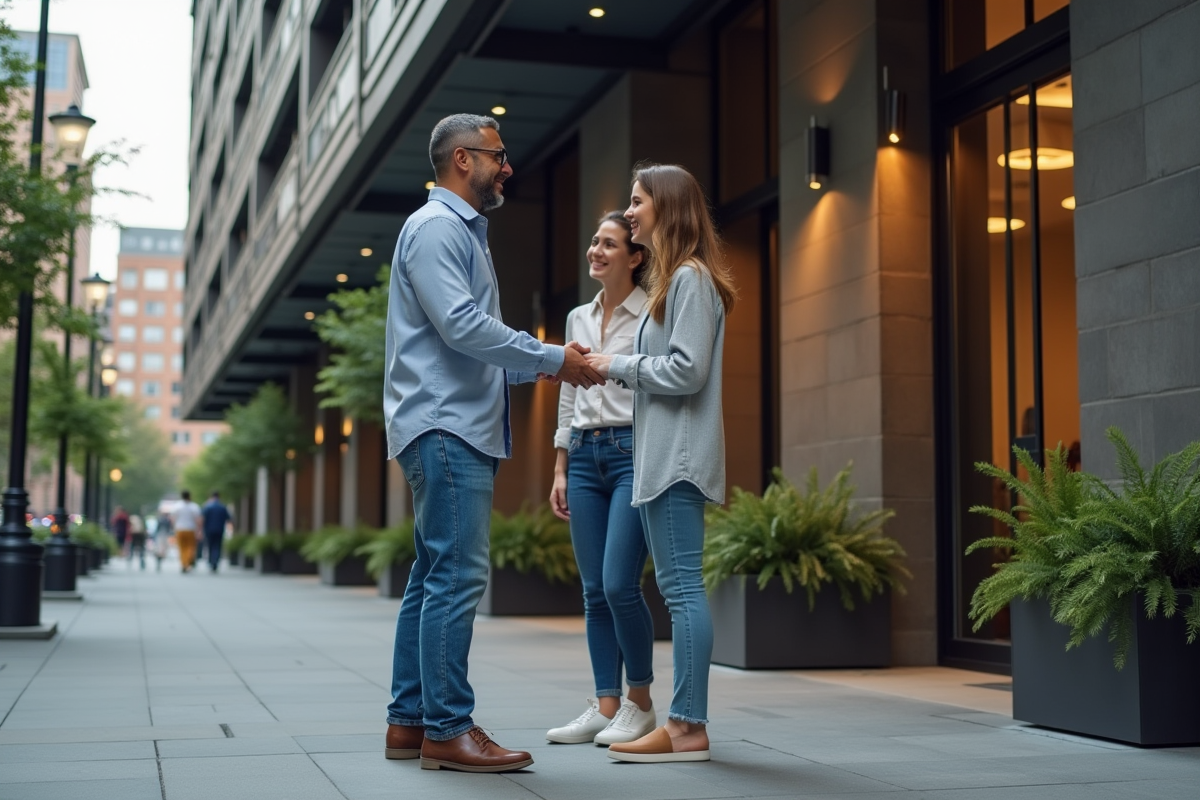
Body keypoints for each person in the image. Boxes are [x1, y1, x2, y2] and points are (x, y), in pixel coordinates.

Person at [383, 112, 604, 773]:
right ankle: (447, 730)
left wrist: (553, 365)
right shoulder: (436, 229)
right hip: (445, 426)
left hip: (447, 422)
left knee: (430, 576)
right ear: (461, 160)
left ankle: (410, 720)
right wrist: (549, 358)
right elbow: (461, 327)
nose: (507, 167)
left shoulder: (458, 234)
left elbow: (469, 340)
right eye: (497, 156)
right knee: (457, 575)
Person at [585, 163, 736, 764]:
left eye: (637, 200)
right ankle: (682, 722)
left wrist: (613, 364)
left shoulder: (691, 279)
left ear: (667, 208)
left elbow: (688, 370)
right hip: (662, 459)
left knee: (680, 591)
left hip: (677, 461)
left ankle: (687, 727)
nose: (628, 212)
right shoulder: (674, 281)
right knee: (675, 590)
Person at [545, 212, 657, 747]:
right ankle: (605, 705)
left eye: (609, 243)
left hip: (633, 449)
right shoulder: (576, 318)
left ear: (635, 257)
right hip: (586, 456)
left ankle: (640, 701)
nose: (596, 250)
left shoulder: (651, 316)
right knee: (593, 591)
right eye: (594, 241)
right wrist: (561, 466)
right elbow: (568, 394)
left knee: (619, 584)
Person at [172, 491, 203, 573]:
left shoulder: (177, 506)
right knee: (191, 547)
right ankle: (188, 562)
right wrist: (200, 530)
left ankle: (183, 563)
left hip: (180, 529)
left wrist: (174, 527)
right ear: (189, 496)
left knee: (181, 548)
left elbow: (172, 518)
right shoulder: (194, 506)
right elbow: (198, 520)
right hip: (191, 529)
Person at [201, 491, 232, 572]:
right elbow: (229, 518)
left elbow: (203, 518)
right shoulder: (223, 507)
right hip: (219, 530)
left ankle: (211, 561)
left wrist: (201, 529)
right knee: (218, 546)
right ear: (219, 496)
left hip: (209, 530)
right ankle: (216, 562)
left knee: (210, 546)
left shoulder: (207, 507)